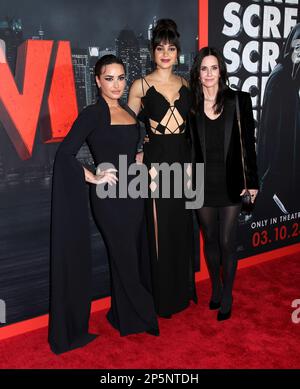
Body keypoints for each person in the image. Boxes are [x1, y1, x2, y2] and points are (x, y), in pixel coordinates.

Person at [49, 55, 159, 355]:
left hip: (134, 193)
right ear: (97, 81)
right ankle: (145, 311)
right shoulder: (93, 114)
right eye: (109, 78)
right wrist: (93, 177)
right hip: (110, 199)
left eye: (121, 78)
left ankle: (124, 316)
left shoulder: (126, 109)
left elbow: (129, 150)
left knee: (130, 257)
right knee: (124, 258)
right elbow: (65, 156)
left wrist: (140, 159)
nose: (116, 84)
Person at [128, 19, 197, 319]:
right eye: (160, 48)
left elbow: (197, 126)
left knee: (181, 227)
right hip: (156, 164)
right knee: (158, 229)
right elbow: (125, 125)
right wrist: (138, 149)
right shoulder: (140, 86)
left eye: (171, 48)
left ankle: (182, 290)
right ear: (152, 52)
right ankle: (163, 298)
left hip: (183, 161)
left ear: (177, 52)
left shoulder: (186, 84)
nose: (165, 53)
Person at [189, 47, 259, 321]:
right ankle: (216, 288)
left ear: (221, 70)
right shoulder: (191, 105)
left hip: (231, 182)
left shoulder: (239, 100)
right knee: (210, 239)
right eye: (204, 68)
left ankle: (227, 293)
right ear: (198, 73)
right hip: (200, 184)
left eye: (214, 68)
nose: (209, 74)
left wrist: (252, 181)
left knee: (227, 240)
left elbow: (248, 145)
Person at [257, 23, 300, 215]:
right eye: (298, 47)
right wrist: (269, 171)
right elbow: (269, 129)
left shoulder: (293, 74)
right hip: (277, 164)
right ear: (291, 46)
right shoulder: (280, 76)